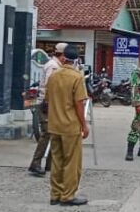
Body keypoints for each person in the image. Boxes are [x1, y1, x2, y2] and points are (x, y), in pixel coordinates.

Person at [45, 44, 89, 206]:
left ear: (63, 58)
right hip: (70, 126)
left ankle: (55, 194)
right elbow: (79, 104)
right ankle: (68, 195)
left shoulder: (54, 76)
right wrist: (84, 125)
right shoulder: (76, 77)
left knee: (56, 160)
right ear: (76, 59)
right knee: (72, 162)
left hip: (54, 124)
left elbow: (48, 99)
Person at [28, 42, 68, 177]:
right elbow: (50, 86)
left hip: (52, 104)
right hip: (47, 104)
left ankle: (50, 164)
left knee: (54, 134)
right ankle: (36, 163)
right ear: (62, 55)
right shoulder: (53, 66)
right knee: (46, 134)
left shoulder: (57, 65)